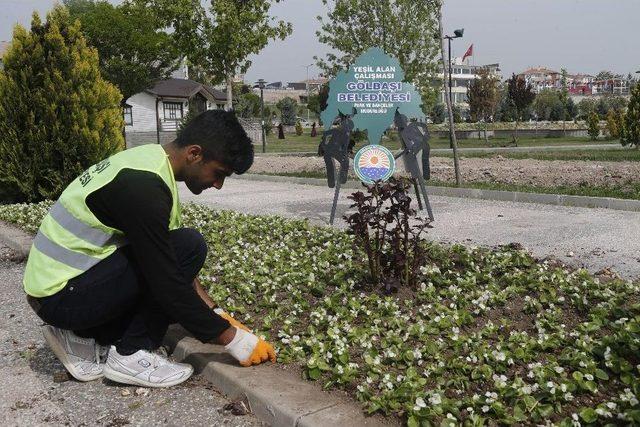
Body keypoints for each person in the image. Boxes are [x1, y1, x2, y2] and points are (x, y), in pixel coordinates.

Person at [23, 110, 275, 388]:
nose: (218, 184)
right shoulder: (143, 190)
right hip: (61, 298)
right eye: (218, 174)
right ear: (194, 153)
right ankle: (131, 355)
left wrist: (217, 314)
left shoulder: (150, 164)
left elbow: (172, 263)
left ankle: (82, 336)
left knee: (182, 251)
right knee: (189, 248)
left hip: (62, 288)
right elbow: (167, 279)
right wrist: (232, 339)